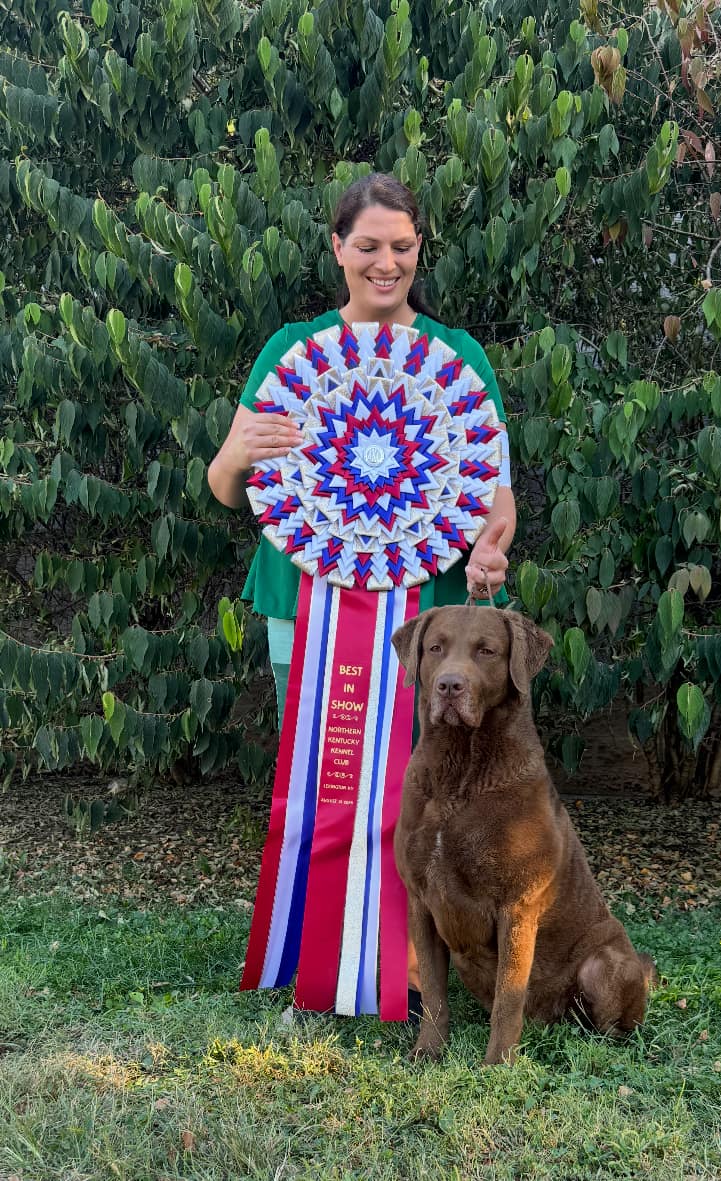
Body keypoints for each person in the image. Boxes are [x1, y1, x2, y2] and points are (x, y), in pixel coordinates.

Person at [208, 172, 516, 1004]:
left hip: (430, 629)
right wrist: (238, 453)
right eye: (369, 245)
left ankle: (410, 966)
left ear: (420, 249)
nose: (387, 263)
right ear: (338, 248)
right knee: (326, 786)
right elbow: (226, 483)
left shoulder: (459, 358)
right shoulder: (292, 352)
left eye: (403, 246)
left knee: (424, 797)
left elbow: (498, 500)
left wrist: (490, 552)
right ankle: (320, 956)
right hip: (302, 614)